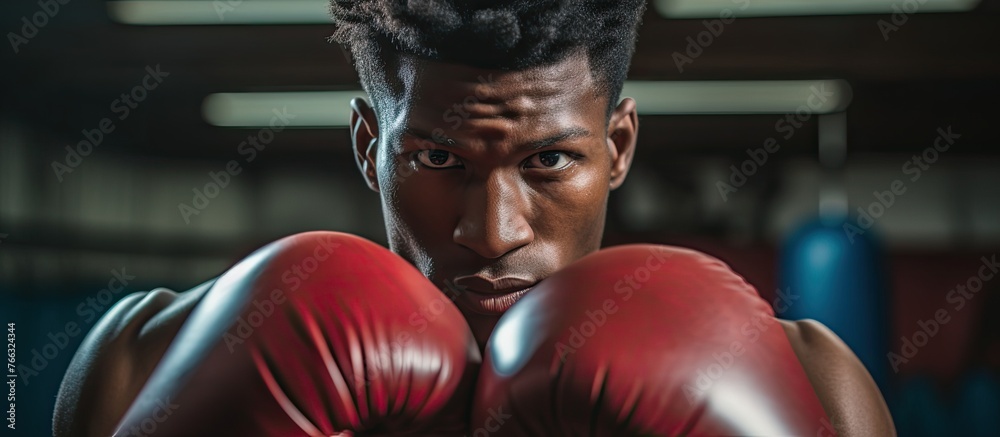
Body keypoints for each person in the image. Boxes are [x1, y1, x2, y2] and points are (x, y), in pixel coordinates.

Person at [53, 1, 895, 435]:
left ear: (621, 146)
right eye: (440, 160)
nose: (493, 233)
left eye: (548, 161)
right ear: (366, 144)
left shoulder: (813, 379)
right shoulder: (146, 359)